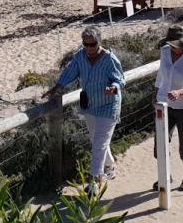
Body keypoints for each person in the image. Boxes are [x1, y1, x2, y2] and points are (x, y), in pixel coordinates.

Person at [46, 26, 125, 192]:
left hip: (109, 105)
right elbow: (70, 72)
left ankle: (94, 180)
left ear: (99, 42)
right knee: (96, 140)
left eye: (92, 44)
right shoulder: (80, 57)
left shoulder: (110, 59)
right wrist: (57, 86)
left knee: (99, 142)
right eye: (86, 44)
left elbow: (120, 79)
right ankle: (109, 166)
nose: (89, 48)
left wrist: (114, 87)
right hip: (90, 104)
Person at [154, 25, 183, 192]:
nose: (178, 47)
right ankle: (165, 174)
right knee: (160, 142)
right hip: (164, 104)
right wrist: (156, 92)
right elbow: (161, 73)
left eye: (180, 44)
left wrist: (180, 92)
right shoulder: (165, 51)